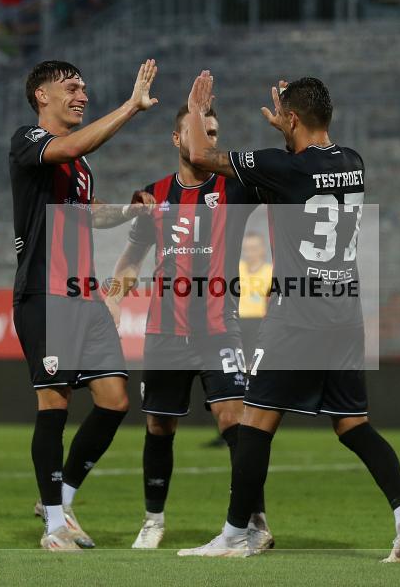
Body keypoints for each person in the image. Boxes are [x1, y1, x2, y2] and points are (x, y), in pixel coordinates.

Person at [176, 72, 400, 562]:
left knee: (254, 423)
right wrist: (288, 131)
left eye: (285, 118)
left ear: (291, 118)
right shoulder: (353, 162)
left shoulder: (282, 166)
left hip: (296, 317)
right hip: (346, 316)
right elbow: (305, 170)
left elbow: (201, 156)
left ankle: (234, 535)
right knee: (353, 424)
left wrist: (195, 109)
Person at [105, 104, 272, 551]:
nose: (208, 139)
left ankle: (254, 521)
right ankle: (153, 520)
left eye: (213, 132)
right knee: (159, 426)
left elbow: (283, 181)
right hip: (164, 331)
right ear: (177, 139)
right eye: (199, 130)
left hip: (219, 327)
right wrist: (115, 298)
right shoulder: (154, 195)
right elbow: (132, 259)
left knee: (234, 420)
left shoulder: (235, 188)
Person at [10, 59, 158, 551]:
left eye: (84, 88)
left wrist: (129, 211)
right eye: (72, 87)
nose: (82, 95)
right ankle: (54, 528)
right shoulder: (28, 141)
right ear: (42, 96)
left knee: (115, 400)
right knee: (54, 403)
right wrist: (131, 107)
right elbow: (72, 145)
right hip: (44, 292)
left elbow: (88, 214)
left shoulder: (80, 167)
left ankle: (61, 499)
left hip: (83, 294)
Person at [237, 231, 272, 354]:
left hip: (259, 323)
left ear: (263, 249)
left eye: (253, 249)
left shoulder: (271, 272)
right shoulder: (237, 269)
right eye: (246, 249)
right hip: (237, 322)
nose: (249, 253)